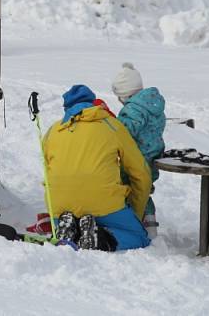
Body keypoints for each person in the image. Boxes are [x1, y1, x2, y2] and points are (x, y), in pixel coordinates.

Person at [43, 85, 152, 251]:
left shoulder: (53, 131)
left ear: (66, 109)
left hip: (60, 206)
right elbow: (140, 172)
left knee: (72, 211)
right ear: (93, 104)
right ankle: (101, 238)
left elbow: (48, 171)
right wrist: (136, 213)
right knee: (139, 237)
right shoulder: (112, 126)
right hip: (105, 205)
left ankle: (69, 228)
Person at [111, 62, 166, 238]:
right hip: (152, 158)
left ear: (125, 94)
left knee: (129, 189)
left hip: (136, 160)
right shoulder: (154, 105)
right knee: (144, 191)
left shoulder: (134, 110)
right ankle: (150, 225)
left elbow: (123, 132)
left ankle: (133, 223)